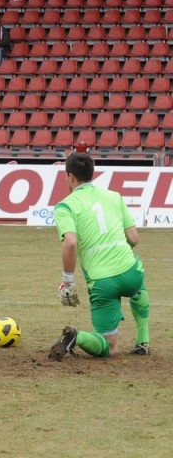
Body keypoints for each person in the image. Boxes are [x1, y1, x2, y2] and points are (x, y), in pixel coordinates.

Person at [48, 153, 151, 361]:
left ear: (70, 177)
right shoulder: (114, 196)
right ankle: (143, 341)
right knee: (138, 279)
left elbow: (70, 242)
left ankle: (77, 337)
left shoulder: (65, 206)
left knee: (109, 348)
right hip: (130, 272)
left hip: (102, 282)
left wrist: (67, 281)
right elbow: (133, 238)